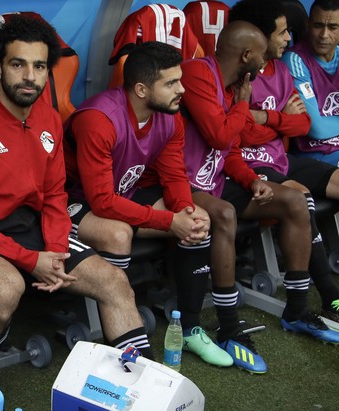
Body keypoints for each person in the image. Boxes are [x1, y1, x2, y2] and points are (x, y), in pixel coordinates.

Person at [0, 14, 154, 382]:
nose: (30, 77)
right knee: (6, 289)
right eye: (18, 64)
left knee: (114, 283)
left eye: (39, 66)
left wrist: (53, 252)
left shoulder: (49, 119)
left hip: (29, 227)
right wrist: (30, 260)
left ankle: (140, 388)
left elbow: (54, 195)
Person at [64, 40, 267, 373]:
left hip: (125, 192)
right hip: (74, 201)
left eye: (180, 80)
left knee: (197, 219)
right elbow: (101, 200)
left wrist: (184, 213)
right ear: (142, 89)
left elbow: (174, 177)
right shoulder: (99, 120)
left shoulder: (169, 118)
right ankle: (113, 329)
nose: (182, 90)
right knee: (117, 234)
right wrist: (167, 222)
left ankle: (188, 329)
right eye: (172, 83)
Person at [180, 21, 339, 349]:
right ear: (246, 56)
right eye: (260, 57)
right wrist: (244, 103)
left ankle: (297, 311)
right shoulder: (199, 74)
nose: (266, 62)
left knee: (295, 201)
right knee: (225, 214)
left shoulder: (232, 86)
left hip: (217, 176)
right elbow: (219, 135)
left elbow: (229, 147)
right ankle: (228, 328)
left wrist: (251, 179)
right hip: (182, 181)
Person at [228, 0, 339, 326]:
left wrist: (265, 119)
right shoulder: (236, 76)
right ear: (260, 36)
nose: (289, 39)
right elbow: (235, 133)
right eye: (282, 32)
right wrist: (280, 120)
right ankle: (331, 296)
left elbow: (302, 125)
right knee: (301, 198)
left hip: (281, 157)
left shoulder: (281, 69)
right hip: (247, 163)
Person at [282, 0, 339, 173]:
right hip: (315, 149)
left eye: (332, 27)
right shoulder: (295, 60)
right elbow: (316, 129)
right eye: (318, 25)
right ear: (308, 25)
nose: (324, 34)